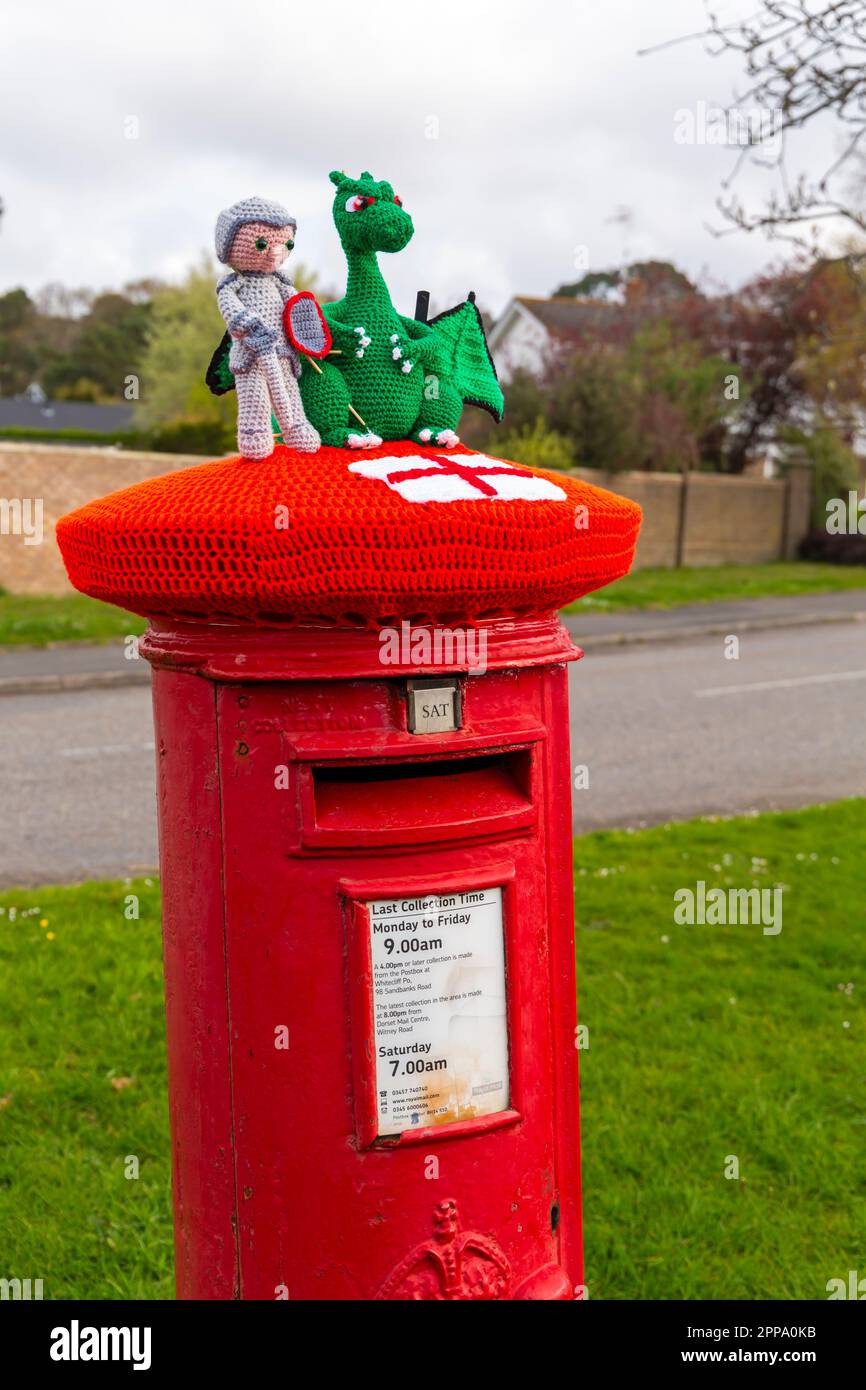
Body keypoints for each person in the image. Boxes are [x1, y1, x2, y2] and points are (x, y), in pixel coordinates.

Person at [215, 196, 320, 457]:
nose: (276, 252)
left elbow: (297, 309)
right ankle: (255, 433)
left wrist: (306, 331)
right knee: (254, 397)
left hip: (282, 352)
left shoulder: (282, 283)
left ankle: (296, 427)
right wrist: (247, 324)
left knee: (290, 392)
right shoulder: (233, 284)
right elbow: (230, 307)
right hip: (251, 352)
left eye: (286, 244)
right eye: (262, 244)